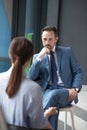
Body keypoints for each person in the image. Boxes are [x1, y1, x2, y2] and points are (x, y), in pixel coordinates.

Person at [28, 26, 83, 130]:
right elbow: (30, 78)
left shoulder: (67, 52)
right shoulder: (37, 57)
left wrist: (75, 89)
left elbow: (78, 71)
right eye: (44, 39)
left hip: (66, 92)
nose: (47, 42)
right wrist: (40, 57)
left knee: (53, 95)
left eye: (50, 39)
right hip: (47, 92)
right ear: (41, 38)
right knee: (52, 103)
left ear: (56, 39)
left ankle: (37, 124)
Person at [0, 37, 53, 130]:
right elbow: (38, 126)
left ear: (9, 54)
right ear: (29, 59)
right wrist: (46, 115)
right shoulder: (33, 88)